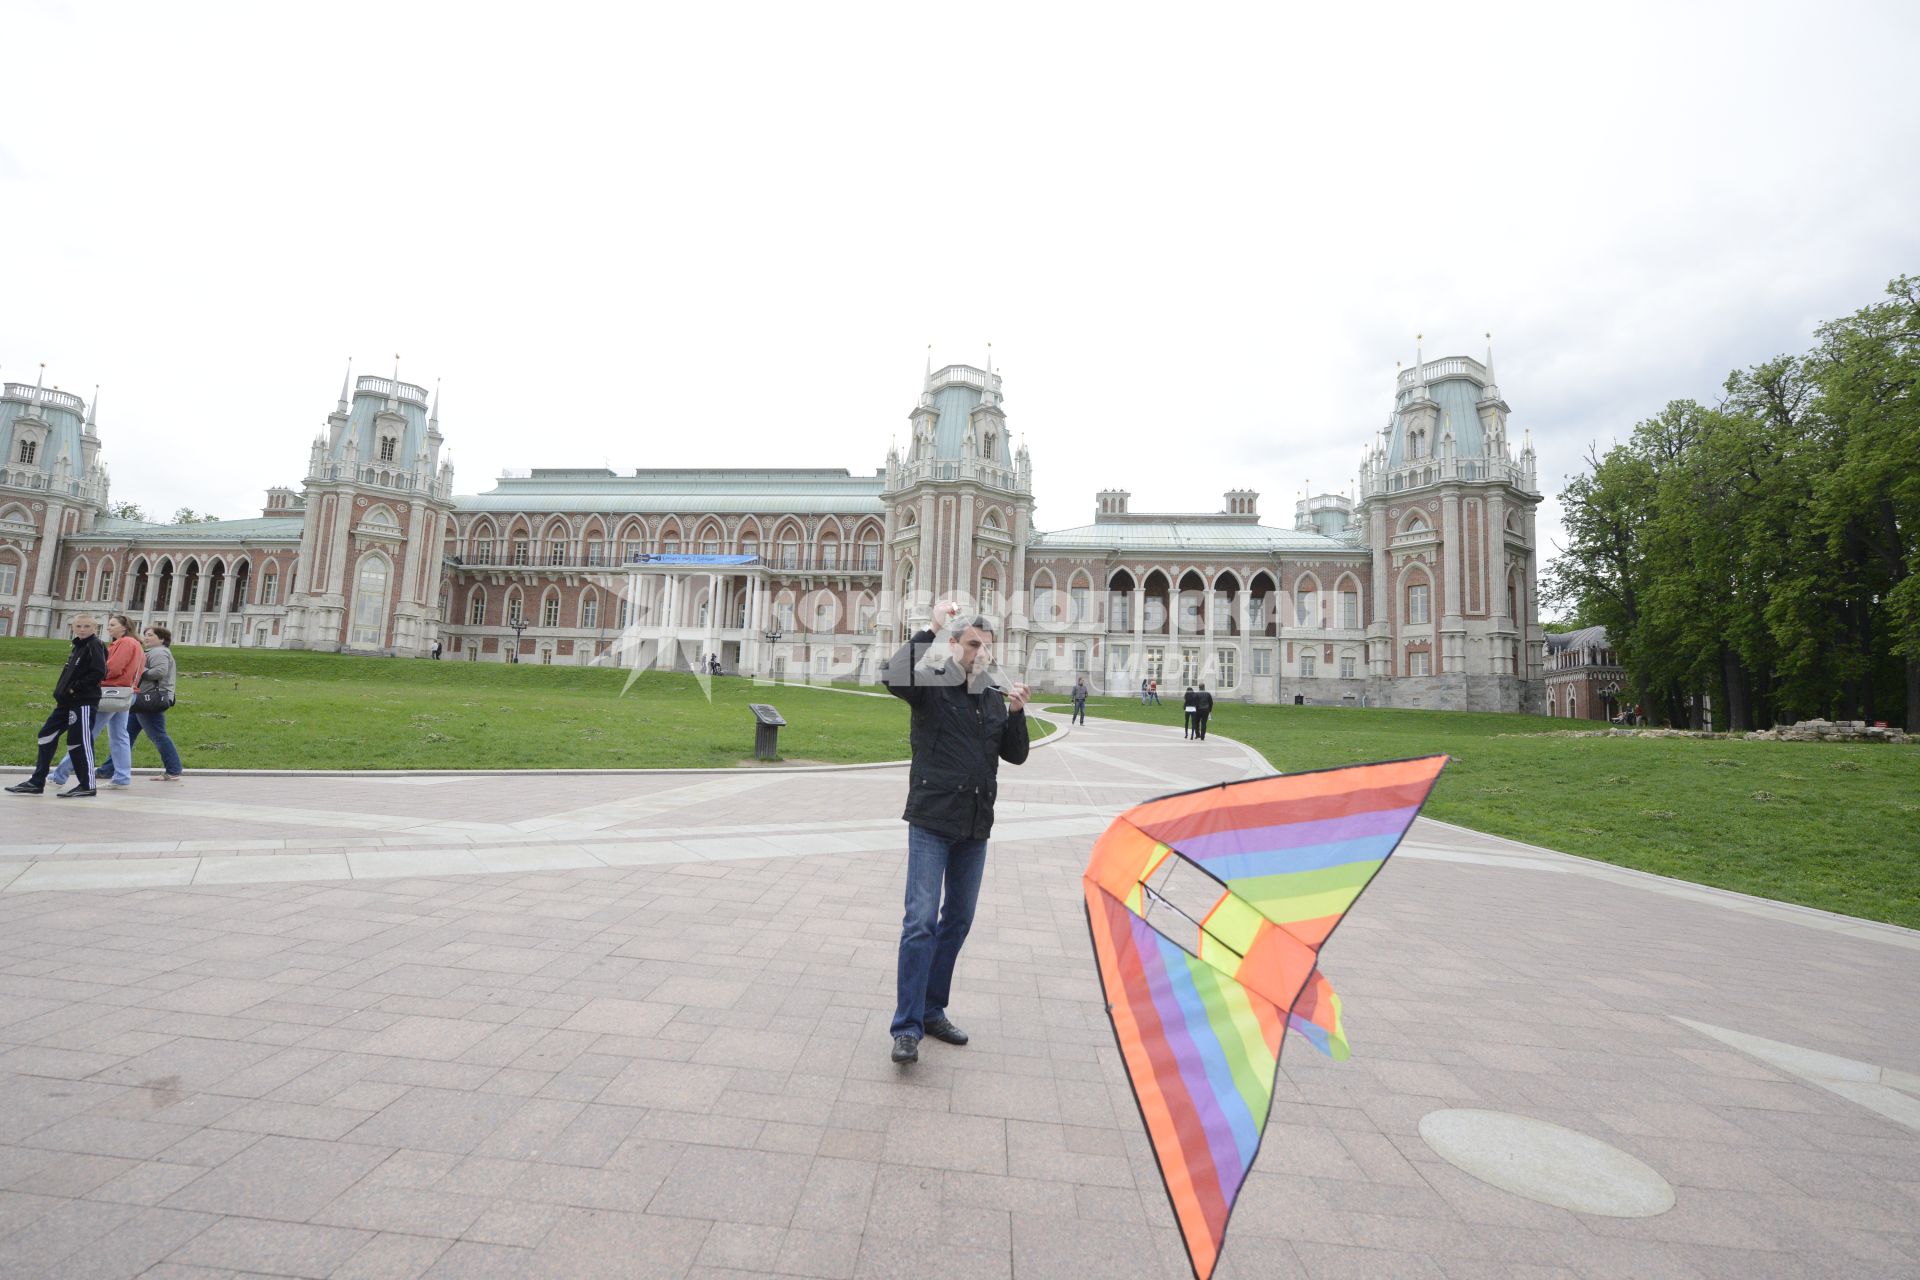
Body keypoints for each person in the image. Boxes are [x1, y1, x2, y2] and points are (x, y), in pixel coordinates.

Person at [881, 601, 1030, 1065]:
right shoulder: (931, 684)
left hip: (974, 826)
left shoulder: (990, 696)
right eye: (973, 643)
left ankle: (931, 1009)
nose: (981, 652)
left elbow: (1016, 755)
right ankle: (906, 1027)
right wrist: (930, 627)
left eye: (987, 645)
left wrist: (1018, 712)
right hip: (931, 820)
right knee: (920, 922)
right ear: (954, 645)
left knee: (957, 921)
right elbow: (893, 675)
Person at [7, 615, 108, 798]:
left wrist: (73, 689)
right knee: (46, 735)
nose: (82, 629)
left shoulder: (95, 645)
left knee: (79, 742)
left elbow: (99, 672)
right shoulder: (78, 646)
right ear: (73, 627)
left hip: (82, 702)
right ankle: (37, 782)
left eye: (86, 626)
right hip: (65, 703)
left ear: (94, 627)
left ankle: (87, 785)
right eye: (78, 626)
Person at [47, 613, 143, 790]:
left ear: (124, 627)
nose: (108, 628)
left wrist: (94, 676)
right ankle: (122, 777)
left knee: (86, 733)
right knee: (120, 736)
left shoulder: (125, 643)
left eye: (112, 625)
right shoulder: (134, 644)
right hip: (125, 693)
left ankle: (59, 776)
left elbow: (112, 668)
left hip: (111, 693)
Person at [125, 625, 184, 782]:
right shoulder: (155, 652)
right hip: (144, 700)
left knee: (157, 735)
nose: (146, 638)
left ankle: (173, 770)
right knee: (125, 735)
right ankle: (110, 769)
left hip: (150, 700)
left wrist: (141, 671)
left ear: (162, 639)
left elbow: (160, 672)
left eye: (150, 635)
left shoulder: (160, 652)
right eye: (145, 635)